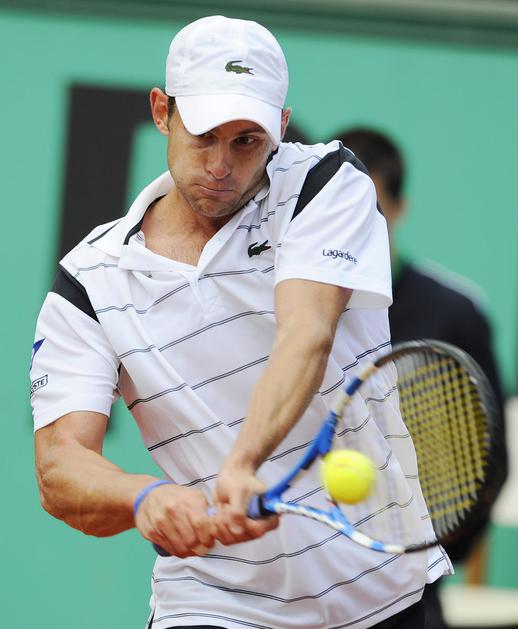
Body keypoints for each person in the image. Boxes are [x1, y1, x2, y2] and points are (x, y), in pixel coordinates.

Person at [30, 17, 449, 629]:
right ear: (162, 112)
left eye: (247, 141)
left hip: (380, 595)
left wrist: (242, 463)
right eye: (204, 136)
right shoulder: (88, 281)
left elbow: (306, 333)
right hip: (211, 603)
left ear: (280, 126)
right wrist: (144, 497)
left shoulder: (324, 184)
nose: (221, 164)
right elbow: (61, 465)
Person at [337, 127, 508, 628]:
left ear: (399, 209)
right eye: (338, 209)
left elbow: (489, 462)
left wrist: (425, 552)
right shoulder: (275, 306)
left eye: (370, 210)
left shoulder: (455, 313)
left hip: (406, 581)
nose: (351, 226)